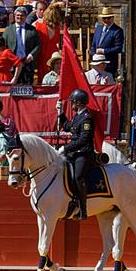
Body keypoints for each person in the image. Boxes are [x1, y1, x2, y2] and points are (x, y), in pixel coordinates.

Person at [57, 88, 93, 219]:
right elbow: (67, 126)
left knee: (78, 177)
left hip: (83, 154)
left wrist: (66, 148)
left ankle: (83, 209)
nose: (71, 104)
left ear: (78, 103)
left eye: (73, 102)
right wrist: (60, 113)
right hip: (73, 153)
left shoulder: (87, 118)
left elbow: (84, 140)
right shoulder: (77, 116)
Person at [1, 6, 39, 84]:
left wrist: (31, 55)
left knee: (27, 88)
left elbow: (38, 45)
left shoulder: (32, 29)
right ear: (14, 16)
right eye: (17, 15)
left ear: (25, 17)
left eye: (22, 15)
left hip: (27, 63)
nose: (19, 17)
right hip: (13, 64)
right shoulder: (8, 30)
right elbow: (3, 46)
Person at [90, 6, 125, 77]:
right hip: (96, 64)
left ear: (112, 18)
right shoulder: (98, 28)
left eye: (108, 18)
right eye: (104, 18)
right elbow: (93, 45)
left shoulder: (117, 31)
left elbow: (119, 48)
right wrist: (94, 56)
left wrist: (104, 51)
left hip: (109, 65)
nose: (106, 20)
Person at [34, 2, 62, 82]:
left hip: (43, 53)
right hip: (53, 53)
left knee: (44, 75)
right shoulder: (58, 27)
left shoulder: (37, 24)